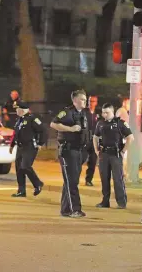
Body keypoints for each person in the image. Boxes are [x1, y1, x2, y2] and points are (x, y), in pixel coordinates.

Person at [50, 90, 90, 218]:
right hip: (68, 150)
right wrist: (70, 129)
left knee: (71, 180)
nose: (85, 101)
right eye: (82, 99)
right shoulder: (67, 112)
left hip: (78, 151)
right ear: (75, 100)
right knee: (71, 181)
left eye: (85, 99)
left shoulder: (83, 113)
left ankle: (65, 209)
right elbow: (53, 124)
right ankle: (75, 209)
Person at [93, 103, 134, 208]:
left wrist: (123, 151)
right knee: (104, 179)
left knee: (117, 179)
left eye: (107, 112)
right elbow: (95, 137)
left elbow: (130, 137)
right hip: (104, 154)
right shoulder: (100, 123)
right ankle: (105, 201)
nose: (104, 114)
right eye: (103, 112)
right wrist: (96, 150)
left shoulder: (120, 123)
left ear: (112, 112)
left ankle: (121, 202)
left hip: (116, 154)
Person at [9, 101, 46, 197]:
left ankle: (37, 183)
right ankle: (21, 191)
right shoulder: (19, 120)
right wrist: (12, 145)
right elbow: (16, 133)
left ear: (22, 110)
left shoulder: (33, 118)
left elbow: (43, 130)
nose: (16, 110)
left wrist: (40, 143)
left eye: (17, 108)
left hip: (30, 147)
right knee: (19, 169)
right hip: (20, 147)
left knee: (25, 166)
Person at [81, 95, 100, 186]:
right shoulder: (83, 112)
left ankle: (88, 180)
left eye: (93, 101)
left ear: (96, 103)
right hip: (85, 140)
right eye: (90, 101)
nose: (91, 103)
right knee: (80, 159)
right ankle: (73, 177)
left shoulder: (98, 114)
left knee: (93, 161)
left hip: (94, 141)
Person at [116, 97, 130, 181]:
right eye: (128, 102)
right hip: (123, 137)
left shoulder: (123, 111)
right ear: (124, 102)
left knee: (124, 157)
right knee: (123, 156)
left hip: (123, 137)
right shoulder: (122, 111)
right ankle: (122, 174)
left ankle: (123, 174)